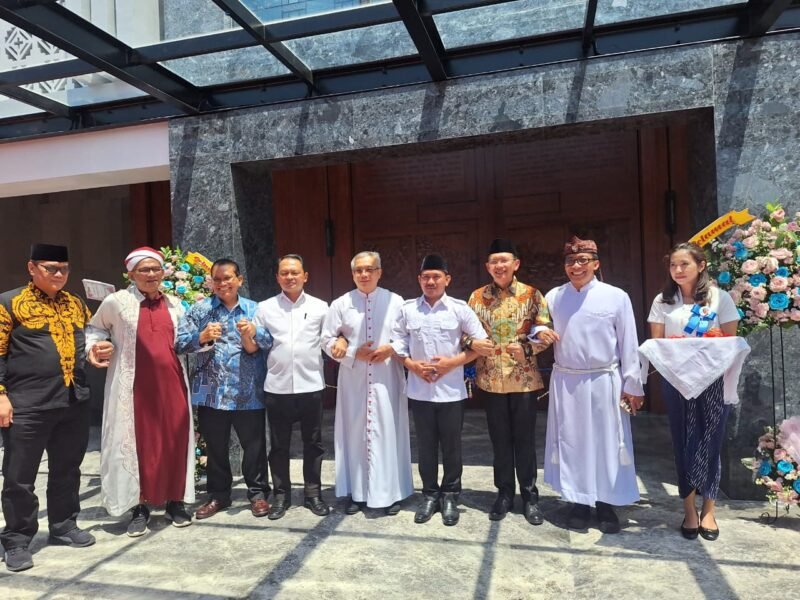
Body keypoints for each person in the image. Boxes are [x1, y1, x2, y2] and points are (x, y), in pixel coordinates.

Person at [536, 236, 644, 533]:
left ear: (596, 264)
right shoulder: (553, 297)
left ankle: (606, 504)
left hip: (604, 380)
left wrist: (633, 383)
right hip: (568, 381)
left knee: (607, 442)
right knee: (572, 441)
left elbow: (629, 343)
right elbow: (536, 328)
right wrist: (539, 335)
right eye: (571, 261)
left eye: (583, 260)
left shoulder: (616, 296)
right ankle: (579, 502)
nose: (576, 266)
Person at [86, 247, 195, 537]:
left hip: (173, 385)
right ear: (132, 273)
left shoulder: (176, 304)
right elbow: (94, 330)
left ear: (163, 273)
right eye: (143, 270)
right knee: (139, 446)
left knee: (175, 442)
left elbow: (187, 340)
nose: (150, 275)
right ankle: (139, 507)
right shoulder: (116, 302)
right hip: (133, 389)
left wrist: (204, 339)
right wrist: (96, 347)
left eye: (155, 269)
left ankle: (175, 502)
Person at [0, 244, 96, 572]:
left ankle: (64, 525)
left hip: (73, 400)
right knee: (19, 476)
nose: (58, 274)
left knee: (67, 469)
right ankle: (16, 538)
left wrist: (95, 354)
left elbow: (90, 339)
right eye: (50, 268)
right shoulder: (10, 302)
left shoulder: (75, 304)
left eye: (64, 269)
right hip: (27, 404)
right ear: (32, 268)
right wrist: (1, 396)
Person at [647, 242, 740, 541]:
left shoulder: (719, 298)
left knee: (711, 440)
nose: (677, 270)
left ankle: (709, 508)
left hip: (713, 381)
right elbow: (658, 345)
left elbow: (730, 343)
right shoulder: (663, 301)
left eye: (684, 264)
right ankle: (688, 508)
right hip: (677, 383)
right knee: (682, 441)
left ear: (700, 266)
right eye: (673, 265)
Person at [391, 254, 486, 526]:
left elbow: (481, 343)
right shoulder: (408, 310)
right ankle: (430, 494)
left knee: (452, 446)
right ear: (419, 280)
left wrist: (452, 364)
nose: (431, 281)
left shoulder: (459, 309)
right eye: (425, 277)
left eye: (436, 277)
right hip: (420, 391)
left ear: (447, 279)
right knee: (426, 446)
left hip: (451, 391)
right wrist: (411, 365)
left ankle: (451, 495)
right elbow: (397, 343)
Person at [176, 258, 272, 520]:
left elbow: (270, 341)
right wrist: (201, 337)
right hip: (211, 391)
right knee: (216, 447)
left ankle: (258, 493)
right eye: (217, 279)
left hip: (248, 389)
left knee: (253, 446)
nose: (222, 284)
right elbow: (179, 343)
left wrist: (254, 332)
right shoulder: (200, 311)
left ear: (239, 279)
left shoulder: (255, 309)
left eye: (228, 278)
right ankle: (218, 495)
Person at [466, 239, 552, 524]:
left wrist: (528, 347)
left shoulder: (532, 295)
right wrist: (473, 343)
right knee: (499, 441)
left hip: (524, 379)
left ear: (516, 264)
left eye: (505, 261)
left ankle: (529, 496)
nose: (499, 266)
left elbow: (546, 331)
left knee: (525, 441)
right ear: (488, 267)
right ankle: (503, 493)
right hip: (491, 379)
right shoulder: (477, 298)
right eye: (494, 262)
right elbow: (463, 332)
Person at [321, 251, 413, 516]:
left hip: (386, 378)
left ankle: (392, 493)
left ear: (379, 272)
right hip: (354, 380)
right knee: (354, 434)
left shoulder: (396, 302)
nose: (364, 274)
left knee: (389, 432)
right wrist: (349, 351)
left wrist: (391, 348)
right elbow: (326, 339)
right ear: (352, 274)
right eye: (358, 270)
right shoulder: (340, 303)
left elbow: (408, 337)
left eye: (369, 270)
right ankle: (357, 492)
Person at [253, 254, 330, 519]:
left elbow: (329, 340)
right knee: (278, 446)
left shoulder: (321, 307)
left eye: (295, 272)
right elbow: (257, 344)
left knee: (313, 444)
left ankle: (313, 494)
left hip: (311, 385)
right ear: (277, 277)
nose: (290, 277)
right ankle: (281, 496)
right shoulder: (264, 308)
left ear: (305, 276)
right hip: (277, 387)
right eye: (284, 273)